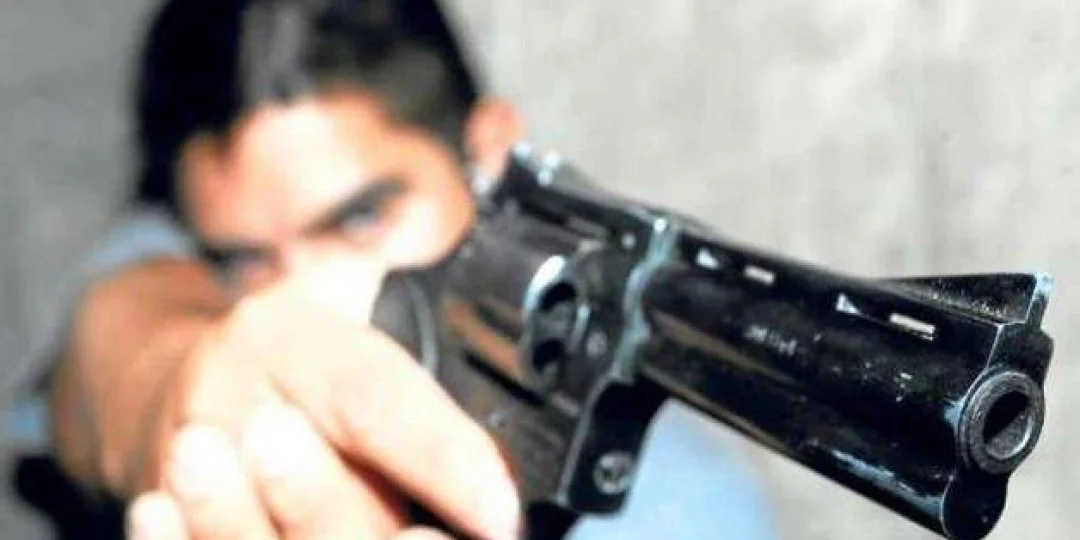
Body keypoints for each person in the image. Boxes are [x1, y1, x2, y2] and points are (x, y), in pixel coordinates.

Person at [33, 0, 779, 538]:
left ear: (490, 153)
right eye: (245, 260)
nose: (305, 300)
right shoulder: (176, 262)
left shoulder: (681, 508)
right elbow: (117, 325)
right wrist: (172, 388)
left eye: (361, 220)